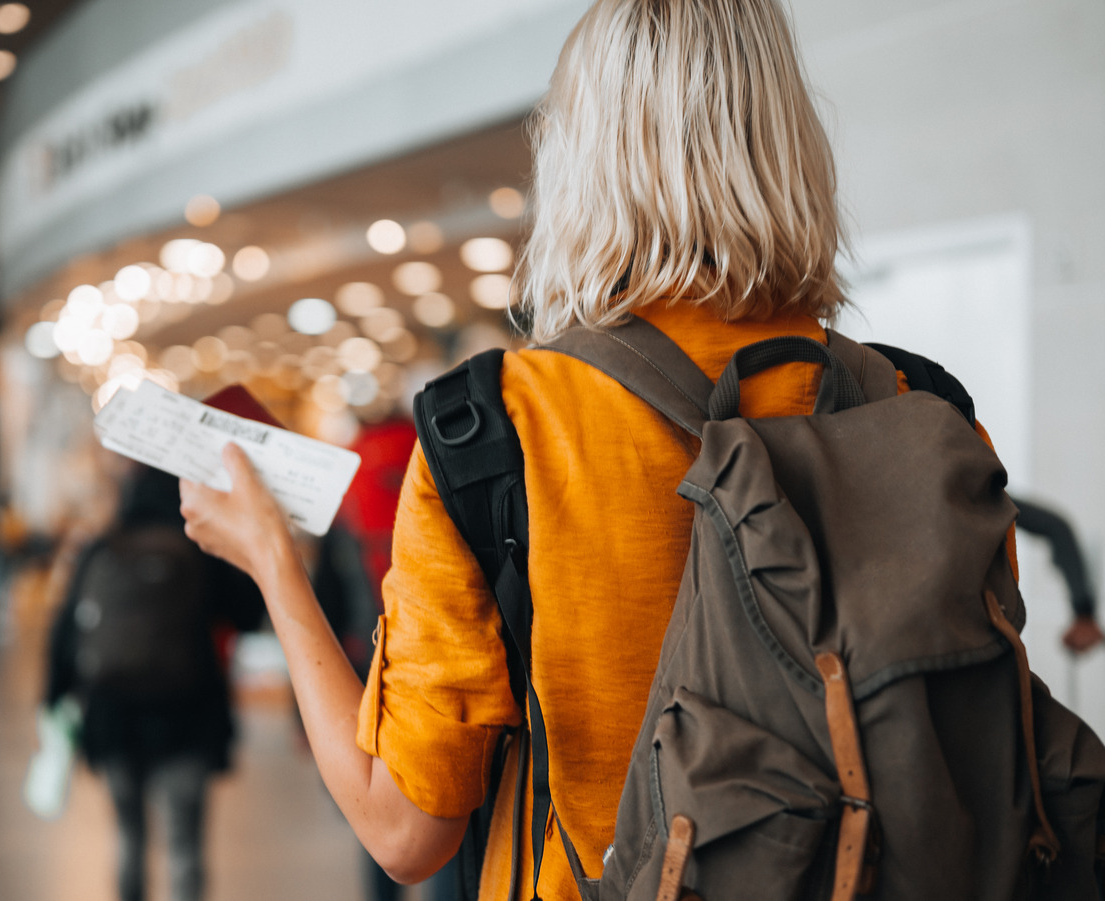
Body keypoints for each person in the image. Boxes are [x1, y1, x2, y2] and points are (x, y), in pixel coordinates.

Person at [177, 1, 1020, 898]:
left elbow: (403, 831)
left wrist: (273, 560)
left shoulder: (497, 428)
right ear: (790, 141)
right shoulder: (924, 412)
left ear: (579, 158)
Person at [46, 467, 262, 901]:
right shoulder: (200, 551)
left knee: (129, 838)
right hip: (187, 717)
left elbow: (65, 633)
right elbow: (249, 614)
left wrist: (53, 700)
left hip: (113, 718)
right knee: (183, 846)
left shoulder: (100, 549)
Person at [1012, 496, 1104, 654]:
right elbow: (1058, 529)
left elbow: (1057, 529)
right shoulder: (977, 490)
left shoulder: (977, 489)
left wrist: (1084, 613)